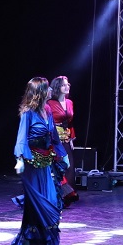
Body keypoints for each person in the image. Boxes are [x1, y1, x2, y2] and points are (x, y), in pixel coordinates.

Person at [12, 77, 67, 245]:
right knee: (35, 203)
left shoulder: (48, 110)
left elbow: (54, 137)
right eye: (47, 88)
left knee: (50, 200)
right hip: (31, 163)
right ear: (40, 92)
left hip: (46, 162)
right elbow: (21, 137)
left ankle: (44, 243)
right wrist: (20, 159)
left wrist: (63, 155)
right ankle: (26, 244)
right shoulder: (28, 113)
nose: (51, 90)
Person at [48, 74, 78, 204]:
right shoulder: (50, 103)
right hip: (53, 139)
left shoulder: (69, 102)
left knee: (69, 166)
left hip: (66, 138)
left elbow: (70, 123)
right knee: (56, 166)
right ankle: (57, 194)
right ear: (57, 87)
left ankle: (68, 193)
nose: (67, 87)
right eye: (63, 85)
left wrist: (71, 139)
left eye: (68, 84)